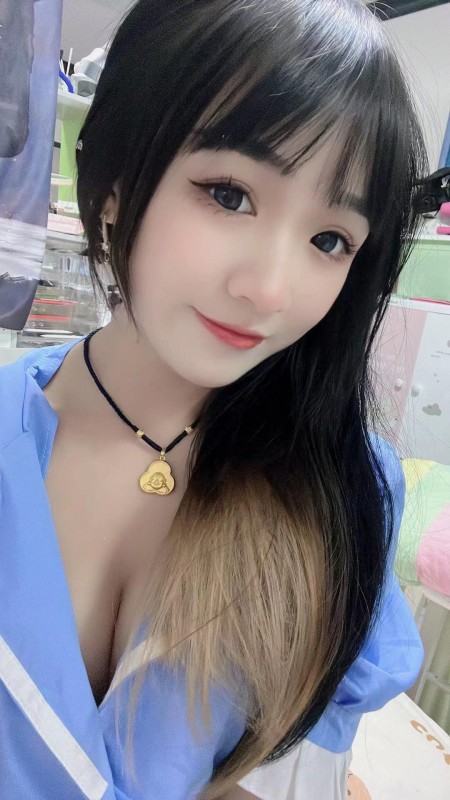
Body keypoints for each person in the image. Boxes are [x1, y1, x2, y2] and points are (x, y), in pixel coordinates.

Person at [0, 1, 428, 798]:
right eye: (229, 194)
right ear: (117, 180)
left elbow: (294, 775)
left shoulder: (342, 486)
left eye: (329, 240)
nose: (269, 289)